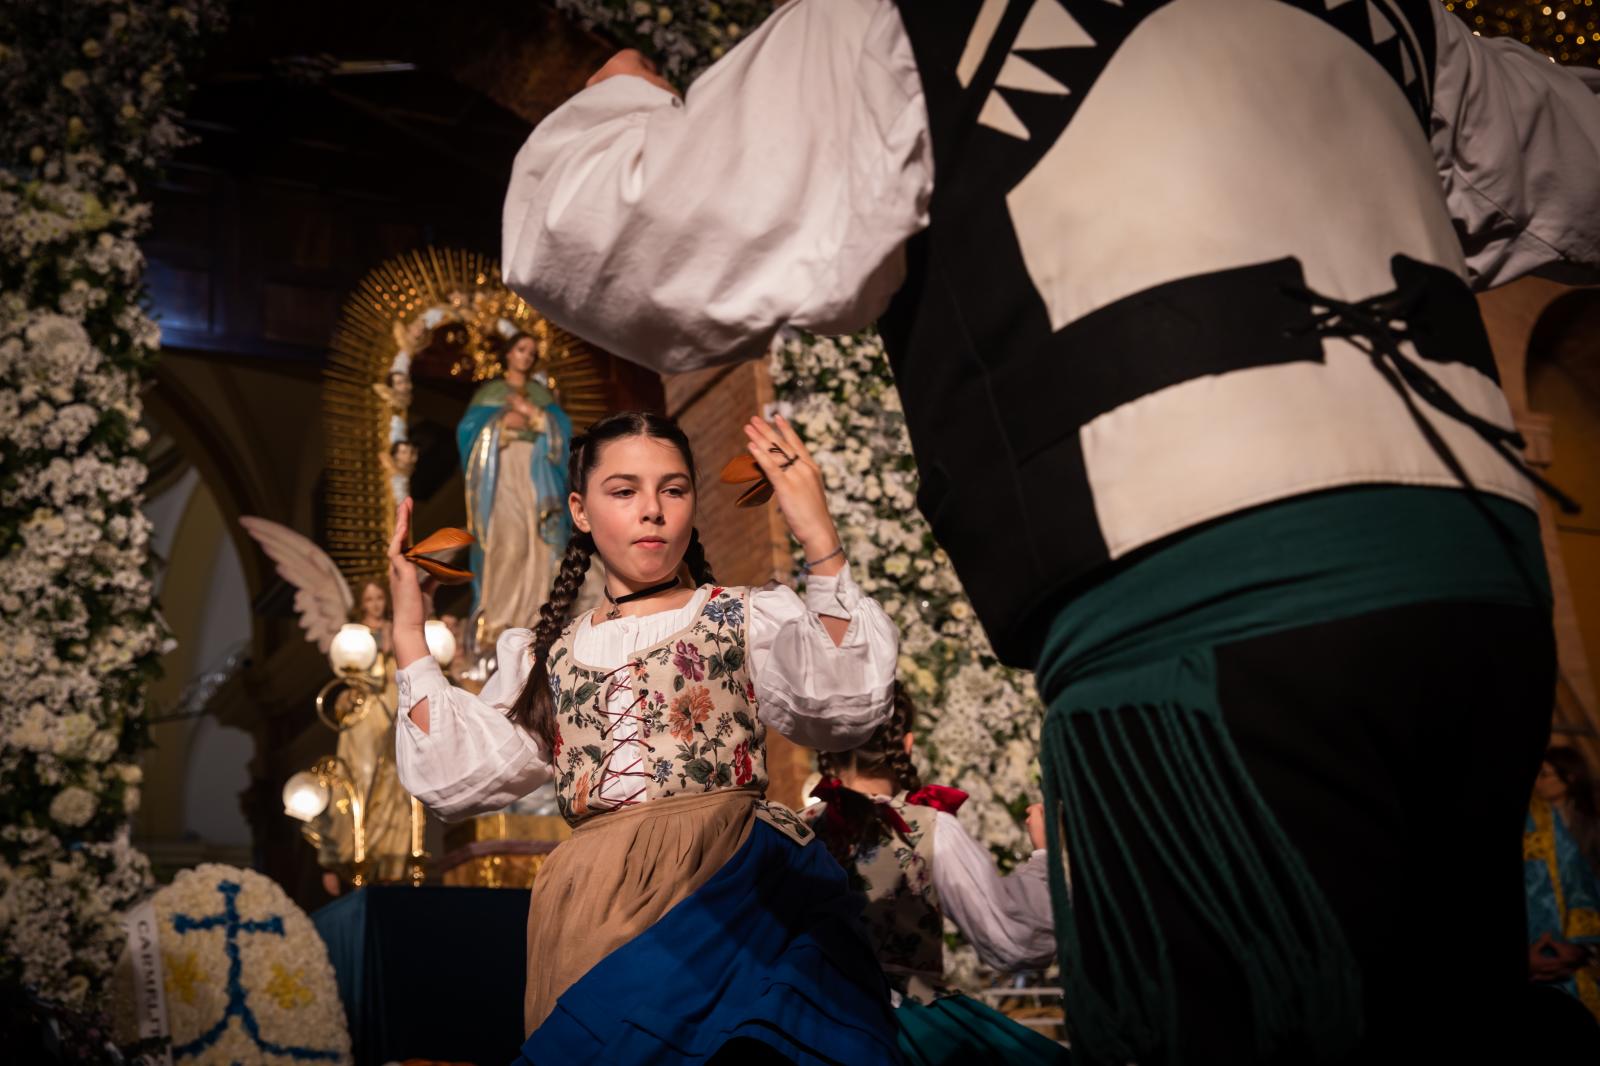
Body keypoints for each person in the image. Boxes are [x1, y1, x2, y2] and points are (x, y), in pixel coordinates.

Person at [496, 2, 1600, 1060]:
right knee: (1444, 1007)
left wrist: (614, 105)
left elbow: (614, 237)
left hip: (1199, 599)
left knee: (1242, 1018)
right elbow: (1573, 160)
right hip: (1472, 581)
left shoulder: (905, 21)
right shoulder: (1387, 12)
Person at [391, 411, 904, 1063]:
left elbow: (845, 703)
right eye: (624, 490)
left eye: (674, 489)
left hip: (730, 882)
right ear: (579, 510)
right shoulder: (545, 654)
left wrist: (817, 534)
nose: (653, 511)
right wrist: (410, 633)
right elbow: (454, 776)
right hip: (595, 904)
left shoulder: (742, 615)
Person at [805, 683, 1067, 1064]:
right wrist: (1044, 854)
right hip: (908, 1028)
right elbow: (1014, 938)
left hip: (814, 1026)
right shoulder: (930, 827)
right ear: (906, 745)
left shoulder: (799, 830)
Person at [456, 329, 574, 651]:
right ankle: (499, 622)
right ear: (508, 353)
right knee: (508, 541)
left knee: (540, 543)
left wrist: (534, 415)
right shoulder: (491, 393)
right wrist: (500, 423)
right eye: (522, 349)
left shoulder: (541, 396)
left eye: (532, 353)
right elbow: (467, 432)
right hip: (503, 471)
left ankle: (538, 616)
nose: (527, 356)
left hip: (537, 475)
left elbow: (561, 431)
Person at [1527, 746, 1600, 1021]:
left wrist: (1580, 948)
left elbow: (1580, 884)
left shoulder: (1558, 823)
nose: (1537, 782)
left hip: (1565, 963)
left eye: (1544, 775)